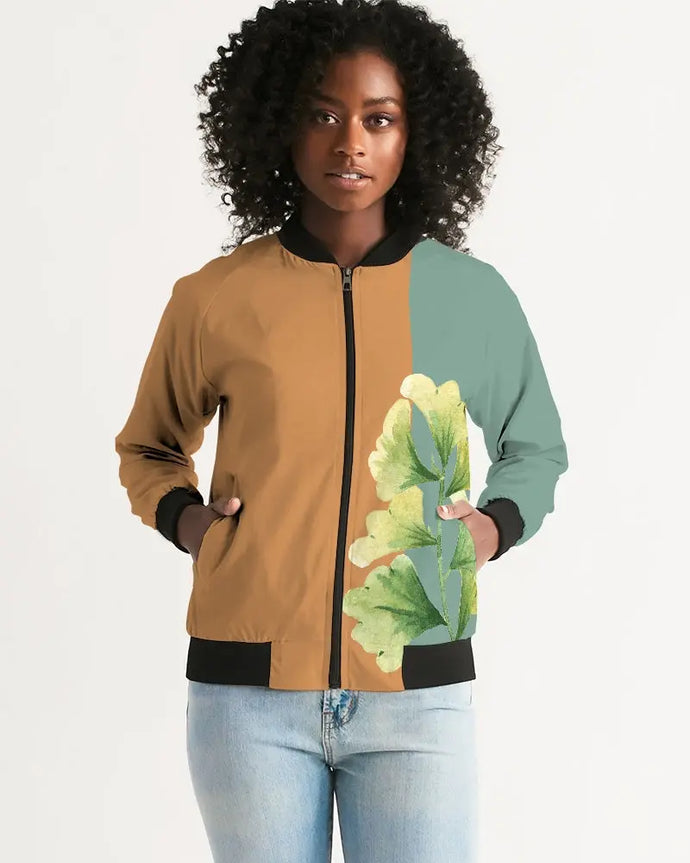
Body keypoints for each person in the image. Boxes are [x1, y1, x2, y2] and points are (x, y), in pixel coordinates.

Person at [114, 1, 568, 860]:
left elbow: (535, 445)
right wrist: (193, 525)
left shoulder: (470, 296)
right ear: (279, 125)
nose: (350, 143)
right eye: (323, 115)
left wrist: (490, 528)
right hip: (248, 694)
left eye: (378, 119)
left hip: (417, 689)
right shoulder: (218, 295)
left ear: (415, 134)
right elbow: (149, 446)